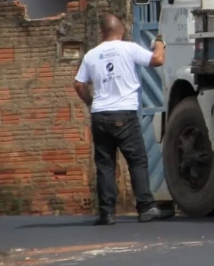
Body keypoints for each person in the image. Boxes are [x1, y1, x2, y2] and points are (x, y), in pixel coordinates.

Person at [73, 13, 175, 226]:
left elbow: (79, 85)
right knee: (137, 161)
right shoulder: (129, 48)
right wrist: (160, 42)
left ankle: (106, 213)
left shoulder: (91, 55)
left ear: (102, 32)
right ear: (122, 31)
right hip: (125, 115)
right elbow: (158, 59)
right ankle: (145, 207)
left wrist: (92, 102)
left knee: (105, 164)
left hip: (100, 115)